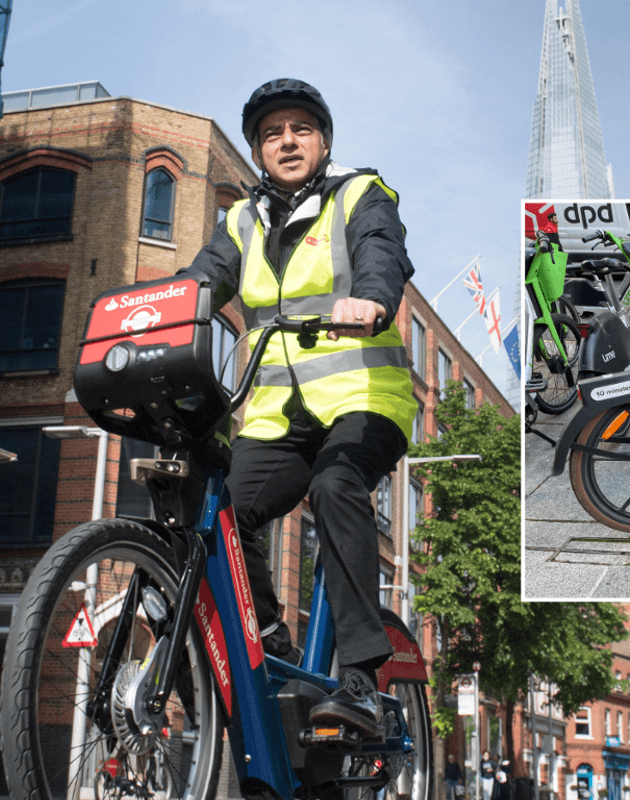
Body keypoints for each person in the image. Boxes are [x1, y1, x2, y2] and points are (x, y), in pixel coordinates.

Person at [177, 78, 417, 738]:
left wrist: (369, 297)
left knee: (335, 486)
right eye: (272, 133)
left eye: (300, 129)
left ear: (324, 141)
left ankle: (364, 679)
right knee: (222, 509)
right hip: (278, 414)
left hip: (363, 400)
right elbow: (198, 282)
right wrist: (149, 319)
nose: (287, 140)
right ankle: (272, 637)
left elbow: (382, 251)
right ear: (257, 151)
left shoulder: (358, 195)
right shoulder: (241, 222)